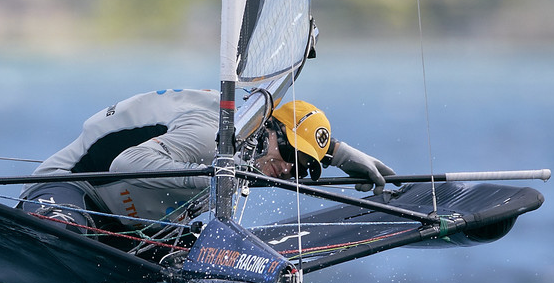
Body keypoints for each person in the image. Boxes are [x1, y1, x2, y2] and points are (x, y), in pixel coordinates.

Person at [19, 88, 394, 234]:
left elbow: (304, 151)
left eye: (303, 168)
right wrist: (214, 177)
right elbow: (126, 163)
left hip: (130, 230)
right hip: (70, 192)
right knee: (59, 232)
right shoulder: (210, 132)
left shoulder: (259, 149)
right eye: (291, 156)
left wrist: (338, 154)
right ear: (268, 130)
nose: (288, 170)